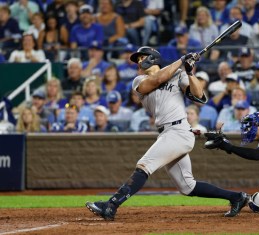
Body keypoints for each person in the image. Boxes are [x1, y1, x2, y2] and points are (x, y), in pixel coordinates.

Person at [85, 46, 249, 221]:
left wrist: (189, 72)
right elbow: (157, 80)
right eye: (138, 59)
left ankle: (111, 205)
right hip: (167, 132)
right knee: (187, 186)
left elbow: (200, 96)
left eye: (142, 57)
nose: (139, 61)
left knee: (144, 165)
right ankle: (236, 197)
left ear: (153, 58)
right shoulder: (138, 80)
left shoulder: (178, 74)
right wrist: (181, 61)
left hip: (178, 131)